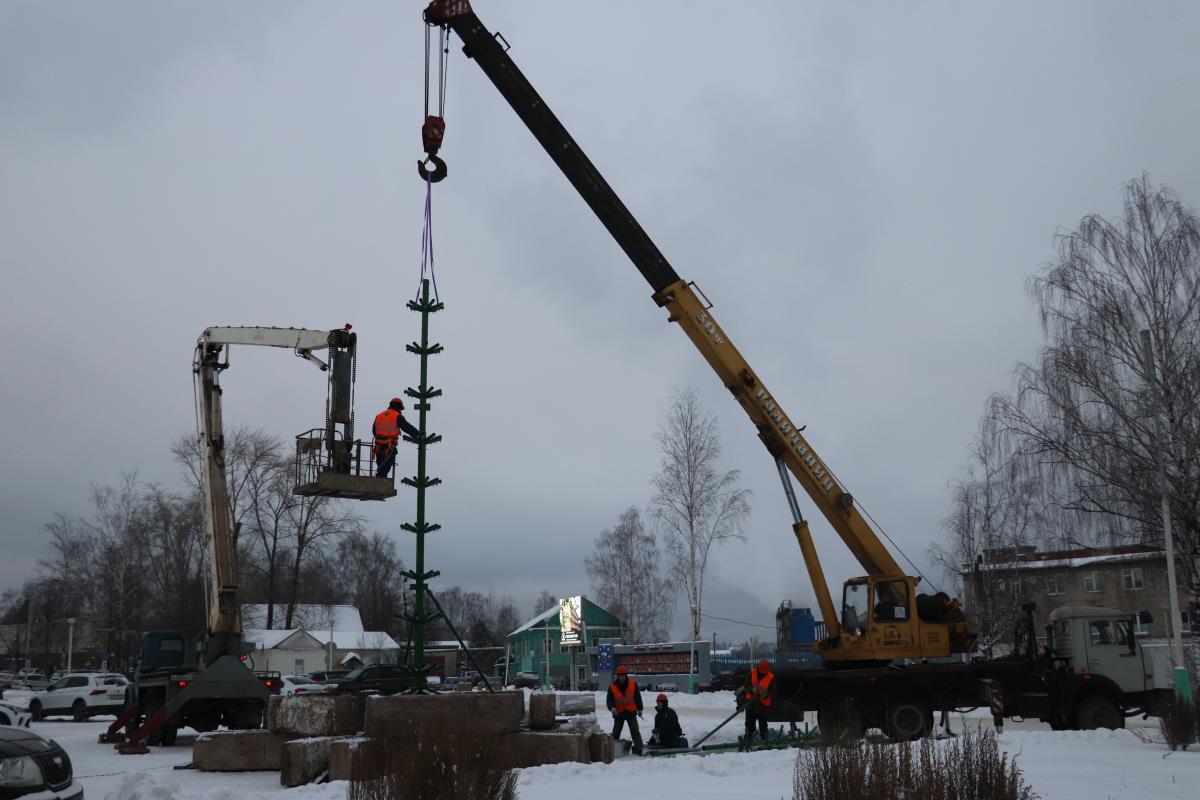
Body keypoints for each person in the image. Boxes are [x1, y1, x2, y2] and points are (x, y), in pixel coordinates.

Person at [373, 397, 421, 478]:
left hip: (378, 446)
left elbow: (374, 431)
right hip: (389, 446)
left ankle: (380, 478)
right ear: (399, 407)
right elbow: (407, 427)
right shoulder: (397, 416)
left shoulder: (379, 416)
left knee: (381, 465)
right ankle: (380, 479)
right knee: (383, 470)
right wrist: (418, 434)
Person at [606, 665, 644, 755]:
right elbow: (609, 700)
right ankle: (612, 750)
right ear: (617, 676)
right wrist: (612, 708)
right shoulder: (612, 687)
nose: (621, 677)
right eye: (620, 675)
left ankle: (640, 748)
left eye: (623, 675)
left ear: (626, 675)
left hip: (630, 712)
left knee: (635, 731)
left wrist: (640, 709)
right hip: (618, 713)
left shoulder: (632, 684)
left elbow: (638, 697)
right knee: (615, 733)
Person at [739, 658, 775, 742]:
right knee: (749, 724)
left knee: (763, 725)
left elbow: (773, 691)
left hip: (763, 705)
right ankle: (748, 739)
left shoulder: (771, 677)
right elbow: (746, 684)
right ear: (758, 667)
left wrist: (766, 694)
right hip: (751, 704)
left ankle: (765, 741)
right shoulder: (752, 673)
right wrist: (752, 690)